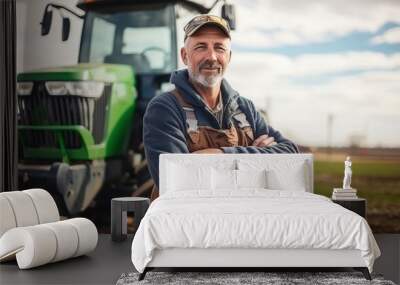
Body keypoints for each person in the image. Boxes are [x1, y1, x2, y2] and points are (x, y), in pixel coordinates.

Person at [143, 14, 299, 200]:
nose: (212, 57)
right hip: (189, 222)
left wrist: (219, 153)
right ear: (185, 56)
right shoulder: (165, 108)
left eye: (219, 48)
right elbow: (176, 182)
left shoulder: (244, 108)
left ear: (229, 57)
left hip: (245, 220)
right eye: (201, 47)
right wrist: (260, 159)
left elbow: (290, 154)